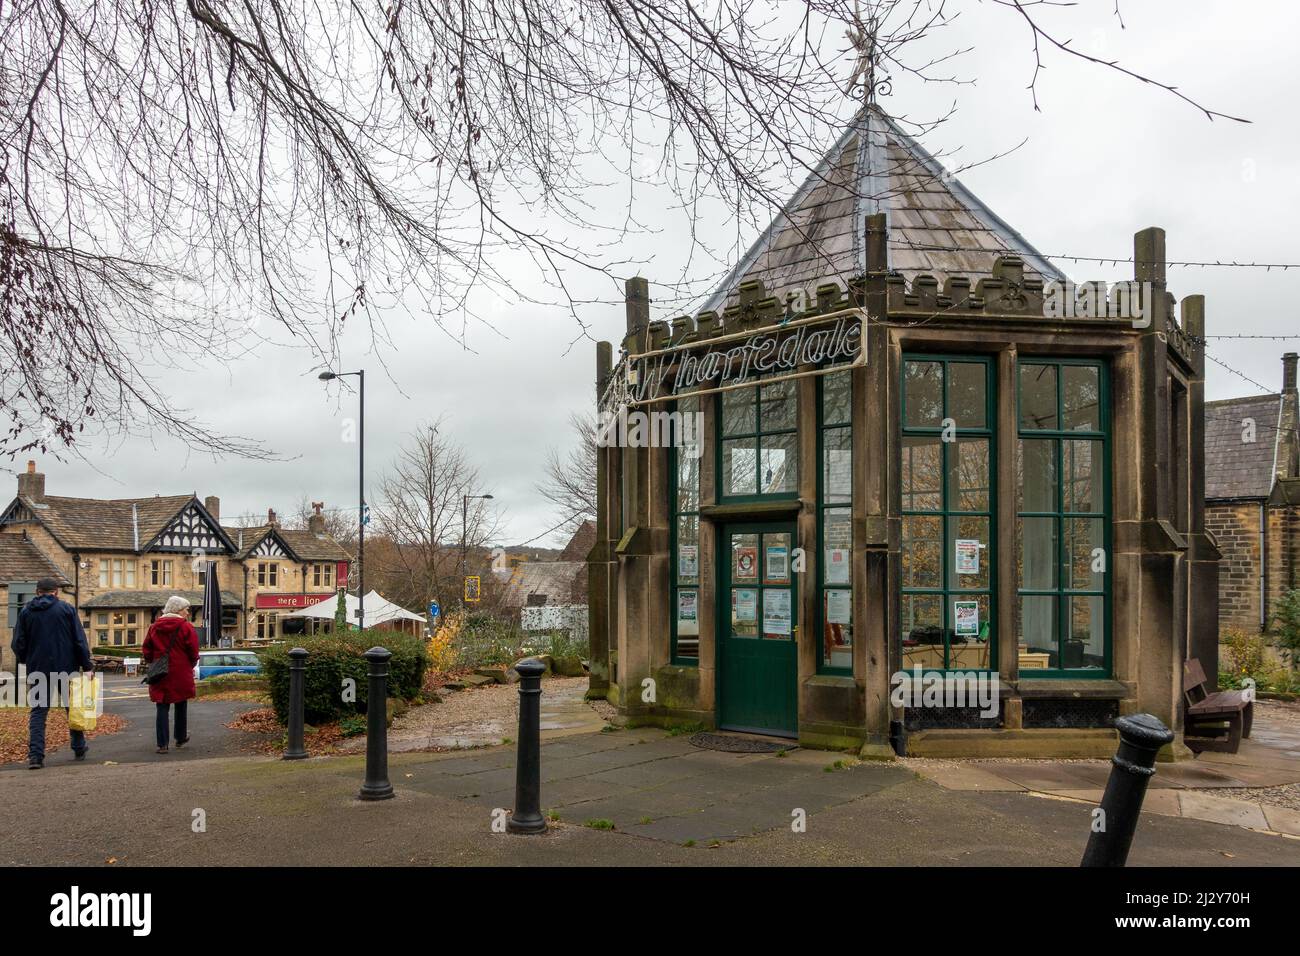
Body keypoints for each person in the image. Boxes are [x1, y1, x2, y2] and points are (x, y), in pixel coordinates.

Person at [9, 577, 94, 769]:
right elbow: (79, 640)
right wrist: (86, 665)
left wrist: (26, 659)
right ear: (56, 591)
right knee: (72, 709)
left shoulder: (26, 612)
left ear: (37, 592)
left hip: (38, 667)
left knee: (38, 712)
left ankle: (36, 756)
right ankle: (79, 746)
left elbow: (18, 643)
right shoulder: (66, 609)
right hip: (66, 667)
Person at [141, 595, 200, 754]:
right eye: (186, 610)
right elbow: (193, 651)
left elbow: (146, 649)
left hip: (160, 672)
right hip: (180, 671)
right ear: (178, 610)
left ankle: (162, 744)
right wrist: (191, 664)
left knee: (162, 706)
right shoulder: (186, 627)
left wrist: (152, 662)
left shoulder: (154, 627)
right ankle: (180, 737)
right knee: (181, 704)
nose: (188, 613)